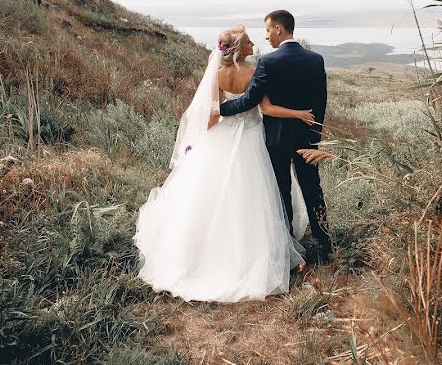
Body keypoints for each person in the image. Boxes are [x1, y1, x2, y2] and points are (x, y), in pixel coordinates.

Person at [133, 25, 311, 302]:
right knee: (256, 195)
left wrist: (199, 141)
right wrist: (298, 113)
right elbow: (267, 109)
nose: (254, 44)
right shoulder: (255, 72)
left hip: (225, 137)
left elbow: (214, 113)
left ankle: (206, 253)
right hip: (253, 138)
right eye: (250, 42)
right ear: (240, 49)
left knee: (211, 193)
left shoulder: (217, 75)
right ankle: (254, 253)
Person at [220, 10, 333, 265]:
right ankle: (325, 247)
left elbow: (250, 101)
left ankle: (287, 248)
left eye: (268, 30)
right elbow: (321, 101)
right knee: (313, 191)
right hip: (307, 139)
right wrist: (316, 134)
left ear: (279, 30)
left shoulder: (268, 62)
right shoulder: (316, 60)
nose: (267, 36)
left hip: (277, 140)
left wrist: (220, 110)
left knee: (281, 192)